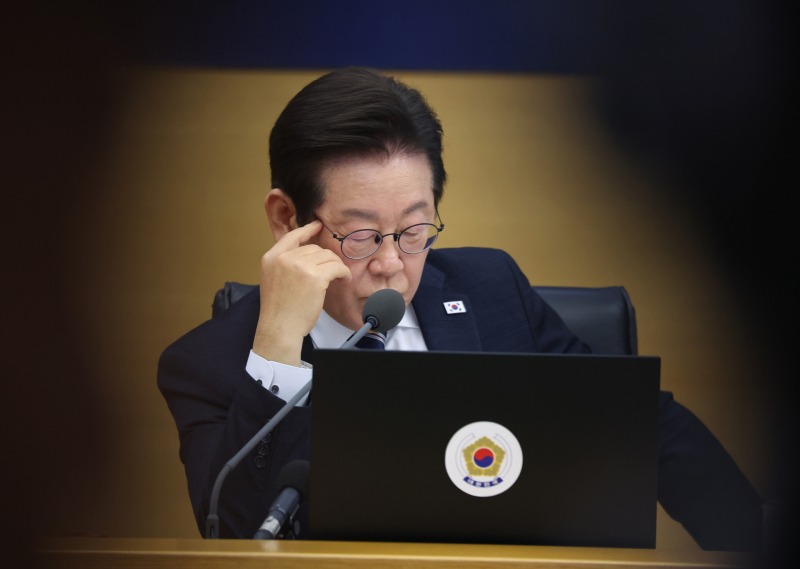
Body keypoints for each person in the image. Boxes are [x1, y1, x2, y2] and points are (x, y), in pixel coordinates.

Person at [157, 67, 763, 550]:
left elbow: (640, 424)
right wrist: (276, 353)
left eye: (414, 230)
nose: (392, 265)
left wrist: (758, 541)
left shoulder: (490, 289)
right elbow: (236, 537)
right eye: (361, 235)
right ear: (287, 219)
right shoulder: (207, 364)